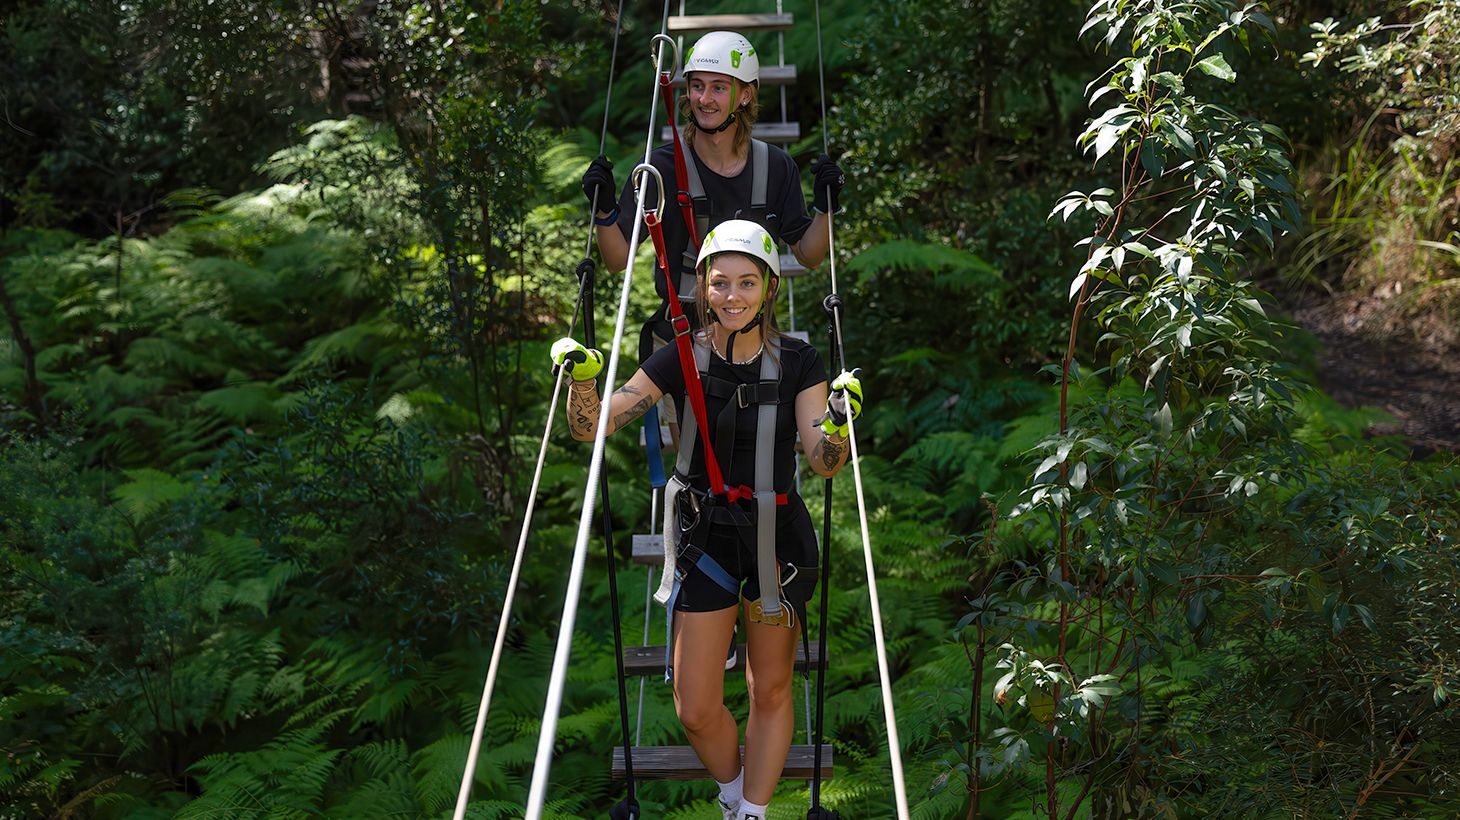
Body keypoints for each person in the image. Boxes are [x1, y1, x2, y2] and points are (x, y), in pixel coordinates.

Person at [550, 221, 864, 820]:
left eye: (747, 282)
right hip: (704, 537)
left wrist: (838, 423)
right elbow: (594, 427)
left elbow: (823, 462)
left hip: (776, 542)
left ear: (769, 287)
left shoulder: (799, 362)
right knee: (694, 706)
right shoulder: (681, 355)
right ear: (703, 286)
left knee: (769, 687)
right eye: (721, 283)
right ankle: (732, 792)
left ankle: (752, 813)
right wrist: (584, 382)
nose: (733, 296)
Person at [581, 30, 845, 342]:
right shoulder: (661, 167)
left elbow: (809, 256)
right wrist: (604, 210)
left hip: (752, 342)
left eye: (718, 87)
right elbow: (617, 260)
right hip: (678, 339)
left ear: (745, 95)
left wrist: (824, 207)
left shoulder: (775, 167)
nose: (704, 99)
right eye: (697, 86)